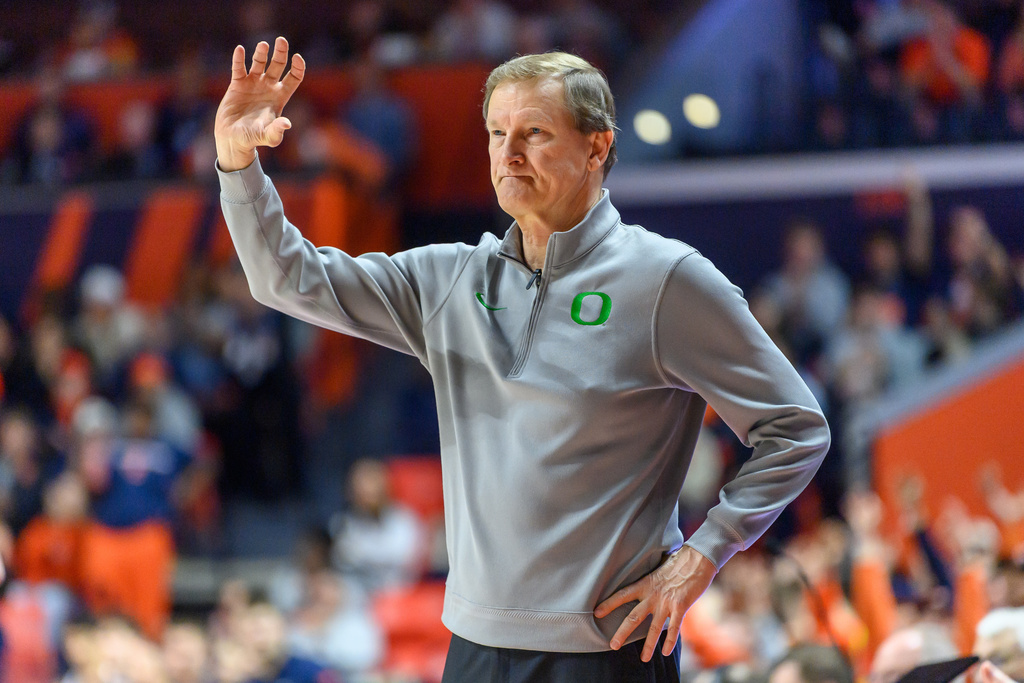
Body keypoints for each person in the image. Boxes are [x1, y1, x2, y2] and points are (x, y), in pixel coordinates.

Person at [214, 38, 830, 681]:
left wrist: (704, 555)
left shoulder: (668, 281)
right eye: (495, 132)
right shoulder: (449, 279)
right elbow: (286, 277)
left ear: (597, 147)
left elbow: (796, 428)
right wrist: (237, 163)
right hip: (474, 647)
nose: (507, 154)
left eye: (534, 133)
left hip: (609, 652)